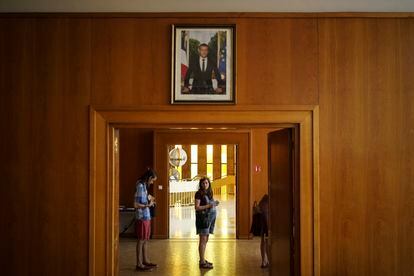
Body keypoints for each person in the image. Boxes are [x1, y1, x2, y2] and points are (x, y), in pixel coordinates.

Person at [134, 168, 158, 272]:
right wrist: (148, 205)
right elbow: (135, 204)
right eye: (152, 180)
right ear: (149, 178)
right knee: (141, 240)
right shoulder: (140, 186)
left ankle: (145, 261)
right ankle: (139, 264)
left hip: (146, 216)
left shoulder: (144, 186)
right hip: (142, 217)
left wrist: (150, 199)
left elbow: (144, 198)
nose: (152, 183)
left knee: (145, 240)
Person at [194, 177, 219, 269]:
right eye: (203, 183)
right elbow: (197, 207)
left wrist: (214, 204)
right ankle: (202, 262)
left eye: (206, 183)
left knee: (206, 239)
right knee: (203, 240)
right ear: (200, 184)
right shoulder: (198, 194)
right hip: (203, 219)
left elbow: (210, 204)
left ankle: (203, 259)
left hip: (209, 219)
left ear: (209, 184)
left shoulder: (209, 193)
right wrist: (209, 205)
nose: (205, 185)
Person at [258, 194, 269, 268]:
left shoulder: (265, 199)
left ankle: (264, 261)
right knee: (266, 241)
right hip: (267, 224)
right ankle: (266, 261)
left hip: (264, 223)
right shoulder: (267, 199)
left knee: (264, 241)